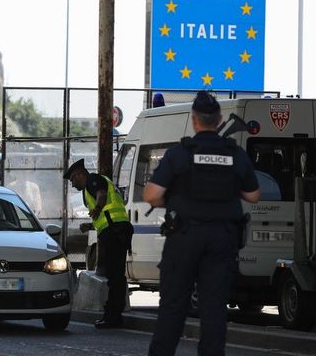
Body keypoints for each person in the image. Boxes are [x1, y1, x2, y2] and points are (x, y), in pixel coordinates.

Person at [143, 91, 261, 356]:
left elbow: (151, 195)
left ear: (195, 120)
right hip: (222, 238)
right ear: (219, 120)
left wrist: (173, 198)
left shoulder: (179, 154)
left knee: (173, 307)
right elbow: (253, 195)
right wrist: (229, 190)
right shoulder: (236, 155)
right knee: (214, 308)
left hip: (184, 235)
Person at [64, 159, 133, 329]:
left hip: (114, 232)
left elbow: (102, 195)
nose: (73, 185)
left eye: (73, 180)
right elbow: (106, 214)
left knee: (115, 275)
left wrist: (97, 208)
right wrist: (90, 225)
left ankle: (113, 316)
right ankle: (113, 313)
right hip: (116, 230)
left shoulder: (93, 180)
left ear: (80, 174)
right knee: (114, 274)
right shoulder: (90, 187)